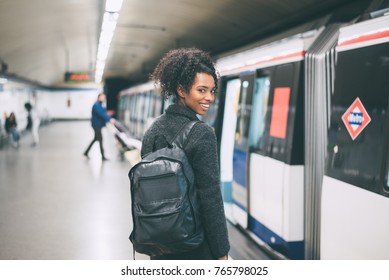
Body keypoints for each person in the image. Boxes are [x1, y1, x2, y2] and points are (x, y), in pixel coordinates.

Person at [140, 48, 230, 260]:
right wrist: (221, 251)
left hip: (160, 242)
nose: (209, 97)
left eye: (212, 90)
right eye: (201, 90)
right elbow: (210, 196)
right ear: (181, 90)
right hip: (194, 245)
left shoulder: (152, 131)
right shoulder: (202, 133)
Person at [84, 93, 115, 160]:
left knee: (95, 139)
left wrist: (108, 114)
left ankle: (86, 152)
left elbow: (103, 113)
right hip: (96, 125)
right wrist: (109, 119)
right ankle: (103, 156)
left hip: (98, 125)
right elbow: (101, 114)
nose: (104, 98)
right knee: (100, 140)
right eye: (103, 97)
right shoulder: (96, 105)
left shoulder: (99, 104)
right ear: (99, 97)